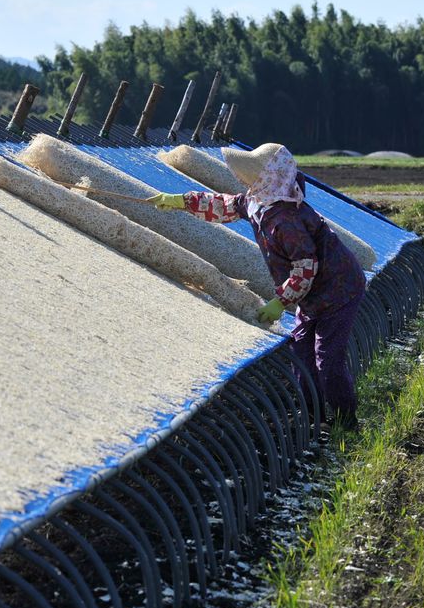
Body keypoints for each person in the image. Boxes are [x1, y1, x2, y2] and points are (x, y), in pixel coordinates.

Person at [146, 143, 365, 430]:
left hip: (338, 290)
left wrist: (280, 302)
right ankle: (314, 418)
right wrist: (180, 201)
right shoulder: (258, 200)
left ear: (266, 177)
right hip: (312, 294)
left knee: (327, 358)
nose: (243, 178)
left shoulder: (286, 218)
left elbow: (306, 266)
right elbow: (223, 205)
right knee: (301, 352)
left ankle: (346, 422)